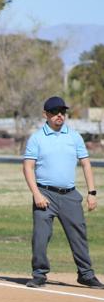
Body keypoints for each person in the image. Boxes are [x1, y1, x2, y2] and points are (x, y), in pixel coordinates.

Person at [22, 96, 103, 289]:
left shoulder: (74, 136)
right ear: (45, 115)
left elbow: (85, 163)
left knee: (78, 236)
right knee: (41, 236)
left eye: (62, 112)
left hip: (70, 196)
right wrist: (36, 194)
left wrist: (92, 192)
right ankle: (39, 274)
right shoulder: (37, 138)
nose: (60, 115)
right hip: (45, 194)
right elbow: (28, 167)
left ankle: (85, 274)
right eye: (55, 112)